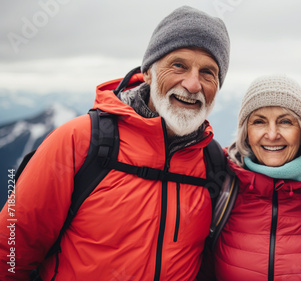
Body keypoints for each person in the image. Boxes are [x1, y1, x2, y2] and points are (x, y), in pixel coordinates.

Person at [0, 6, 230, 281]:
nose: (193, 84)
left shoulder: (214, 162)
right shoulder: (80, 141)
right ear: (148, 72)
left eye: (208, 72)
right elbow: (10, 251)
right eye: (178, 65)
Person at [205, 74, 301, 280]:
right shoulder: (223, 184)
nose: (272, 134)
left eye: (285, 121)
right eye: (259, 122)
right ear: (246, 133)